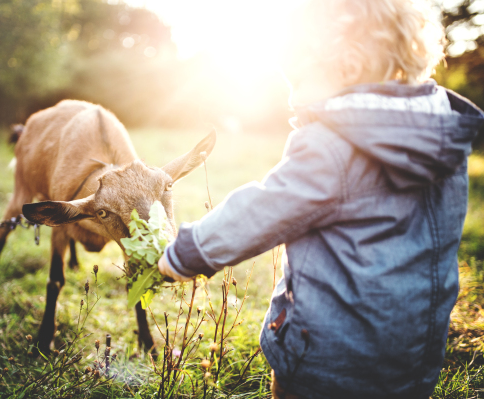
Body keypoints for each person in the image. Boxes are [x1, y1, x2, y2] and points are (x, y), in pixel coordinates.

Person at [157, 1, 484, 398]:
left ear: (346, 67)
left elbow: (262, 211)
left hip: (324, 361)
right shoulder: (444, 139)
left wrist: (186, 253)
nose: (292, 98)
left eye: (298, 78)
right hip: (413, 360)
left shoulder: (332, 146)